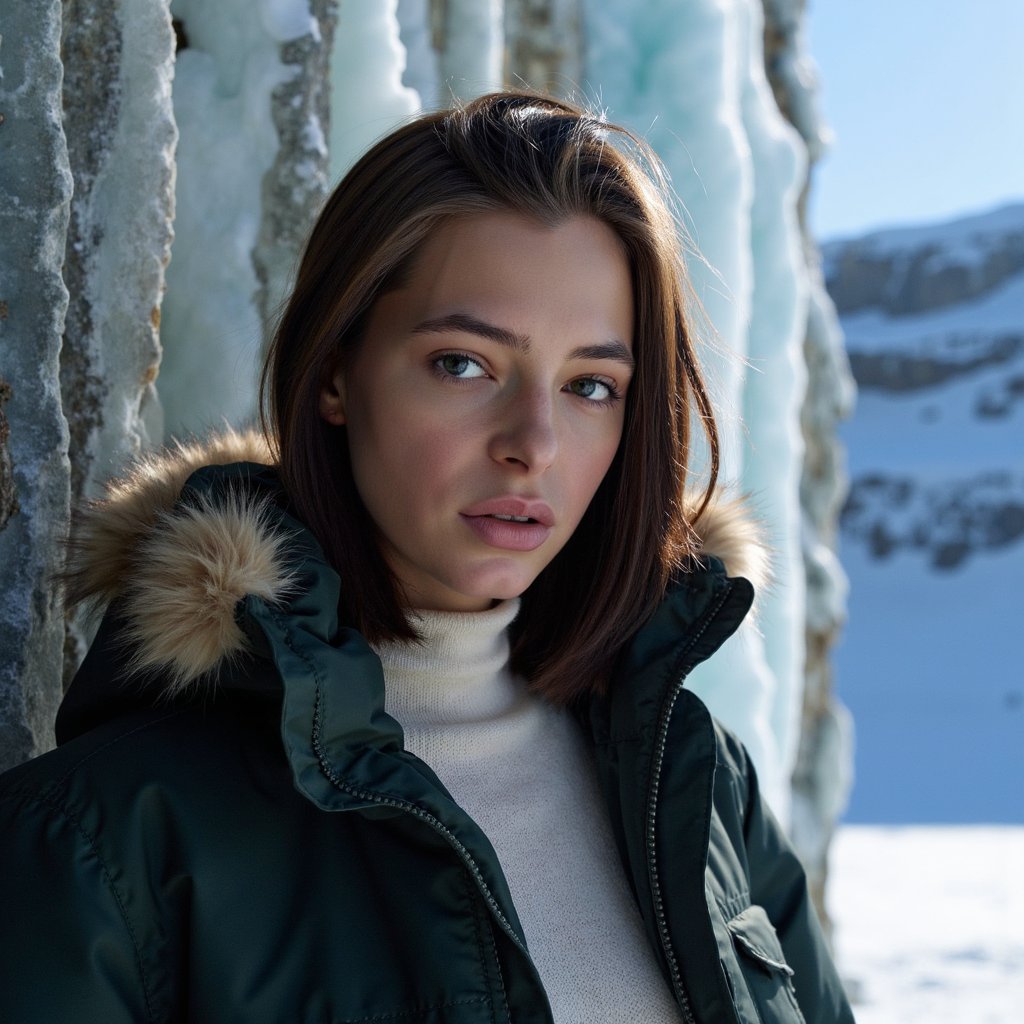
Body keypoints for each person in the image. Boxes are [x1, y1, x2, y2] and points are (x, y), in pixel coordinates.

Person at [0, 92, 854, 1023]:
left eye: (592, 385)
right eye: (464, 364)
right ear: (334, 372)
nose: (535, 443)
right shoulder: (101, 840)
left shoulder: (695, 784)